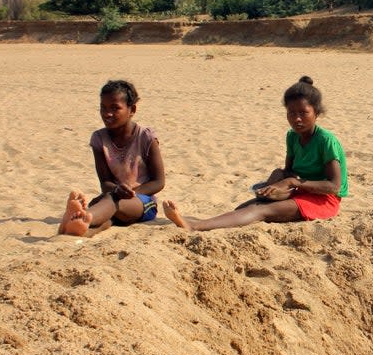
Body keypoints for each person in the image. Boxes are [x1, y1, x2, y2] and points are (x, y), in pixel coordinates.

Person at [164, 76, 347, 231]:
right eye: (291, 113)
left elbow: (333, 186)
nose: (297, 118)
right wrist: (276, 182)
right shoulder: (292, 137)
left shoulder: (326, 140)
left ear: (317, 113)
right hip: (301, 192)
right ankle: (201, 223)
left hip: (324, 200)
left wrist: (292, 182)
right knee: (245, 207)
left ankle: (193, 226)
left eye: (303, 113)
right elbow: (289, 171)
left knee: (260, 211)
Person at [58, 80, 166, 237]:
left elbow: (159, 182)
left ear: (132, 110)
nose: (107, 113)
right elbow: (105, 182)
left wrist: (131, 193)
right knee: (105, 220)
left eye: (115, 108)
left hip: (143, 203)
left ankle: (86, 216)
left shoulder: (146, 137)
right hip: (113, 198)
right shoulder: (99, 139)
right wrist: (116, 191)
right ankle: (73, 230)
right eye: (103, 107)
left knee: (111, 202)